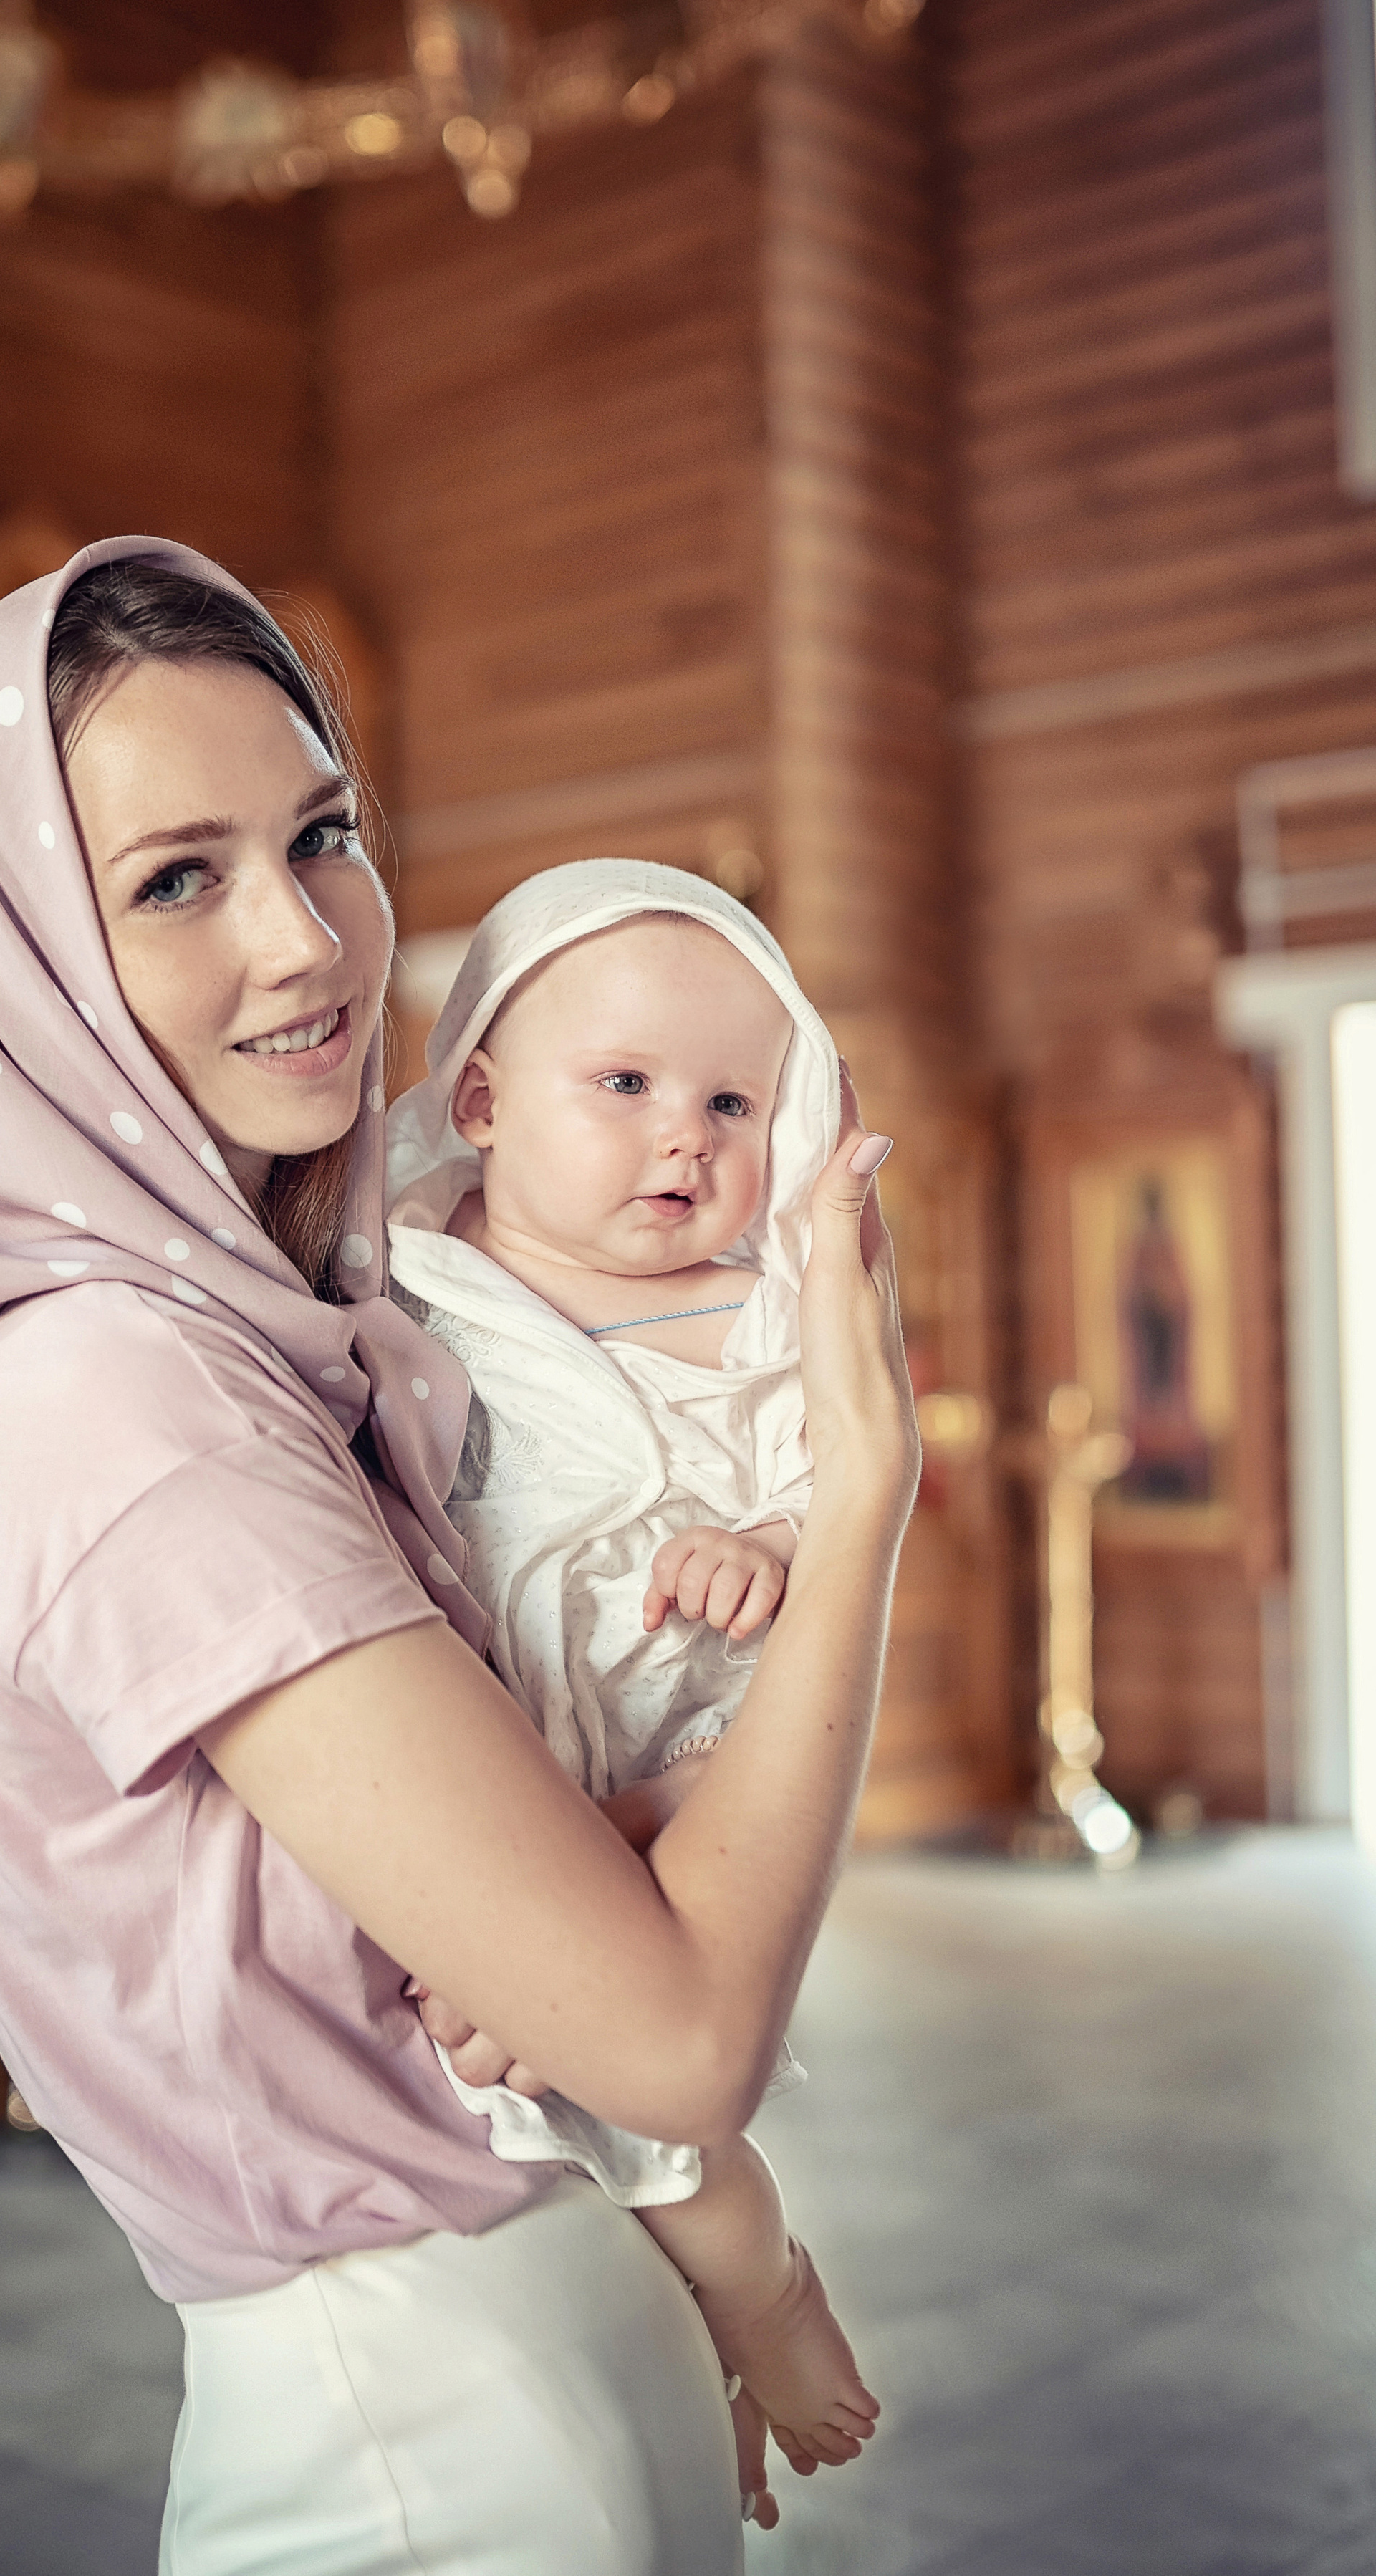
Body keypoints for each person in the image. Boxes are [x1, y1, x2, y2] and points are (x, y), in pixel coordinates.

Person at [0, 537, 918, 2575]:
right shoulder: (106, 1403)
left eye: (325, 832)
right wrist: (869, 1486)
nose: (309, 943)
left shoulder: (257, 1331)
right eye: (175, 878)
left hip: (535, 2356)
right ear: (6, 954)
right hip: (434, 2430)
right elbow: (671, 2041)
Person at [385, 862, 879, 2481]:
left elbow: (822, 1504)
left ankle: (770, 2307)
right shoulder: (404, 1282)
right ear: (477, 1096)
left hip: (673, 1762)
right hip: (480, 1744)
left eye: (734, 1101)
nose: (688, 1135)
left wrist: (761, 1544)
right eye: (624, 1085)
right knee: (546, 2154)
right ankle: (695, 2405)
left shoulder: (751, 1324)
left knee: (679, 2159)